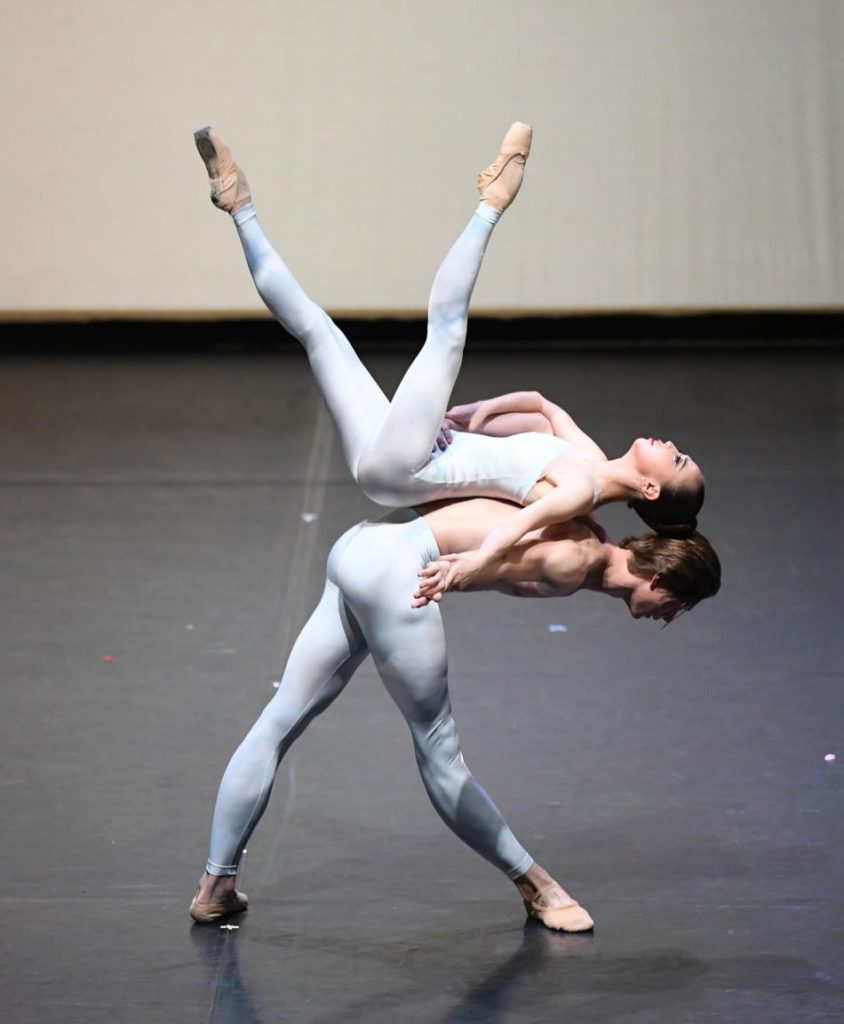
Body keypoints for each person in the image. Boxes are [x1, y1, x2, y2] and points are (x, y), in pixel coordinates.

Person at [193, 125, 706, 590]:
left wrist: (472, 564)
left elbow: (515, 527)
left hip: (409, 465)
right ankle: (238, 204)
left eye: (676, 460)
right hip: (397, 464)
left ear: (650, 488)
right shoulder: (590, 457)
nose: (672, 445)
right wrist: (461, 415)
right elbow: (541, 406)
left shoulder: (581, 492)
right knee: (318, 331)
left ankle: (492, 203)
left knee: (446, 336)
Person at [189, 496, 721, 930]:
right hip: (398, 567)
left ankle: (215, 888)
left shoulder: (578, 508)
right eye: (681, 606)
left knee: (279, 719)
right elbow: (475, 566)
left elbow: (544, 417)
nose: (670, 618)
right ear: (662, 581)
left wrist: (470, 416)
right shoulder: (575, 560)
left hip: (361, 545)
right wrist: (461, 572)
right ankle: (539, 889)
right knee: (437, 746)